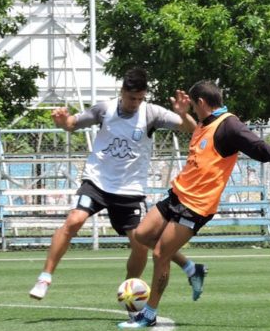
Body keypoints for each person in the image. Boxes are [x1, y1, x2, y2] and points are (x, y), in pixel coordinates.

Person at [119, 80, 270, 329]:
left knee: (160, 254)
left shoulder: (229, 125)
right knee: (142, 235)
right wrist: (183, 114)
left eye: (193, 105)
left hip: (196, 206)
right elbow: (196, 130)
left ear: (201, 102)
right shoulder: (206, 121)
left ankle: (149, 314)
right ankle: (192, 269)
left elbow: (259, 147)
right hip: (177, 195)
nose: (192, 108)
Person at [29, 68, 208, 313]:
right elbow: (72, 124)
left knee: (140, 243)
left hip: (129, 189)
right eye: (131, 98)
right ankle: (45, 278)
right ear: (122, 92)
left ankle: (133, 293)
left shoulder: (152, 113)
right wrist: (63, 122)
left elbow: (190, 128)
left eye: (140, 98)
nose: (135, 103)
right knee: (74, 220)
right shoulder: (104, 109)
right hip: (97, 182)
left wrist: (184, 115)